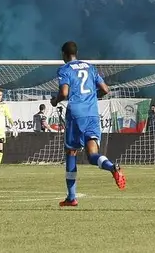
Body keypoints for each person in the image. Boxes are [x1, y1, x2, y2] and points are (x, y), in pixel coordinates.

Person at [54, 41, 125, 207]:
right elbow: (105, 89)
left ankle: (71, 198)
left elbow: (64, 92)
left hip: (76, 115)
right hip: (92, 114)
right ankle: (112, 167)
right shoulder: (90, 67)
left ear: (63, 54)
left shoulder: (65, 69)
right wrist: (92, 96)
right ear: (76, 53)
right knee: (93, 154)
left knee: (71, 152)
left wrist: (55, 101)